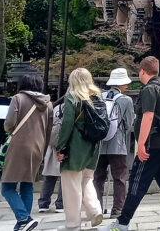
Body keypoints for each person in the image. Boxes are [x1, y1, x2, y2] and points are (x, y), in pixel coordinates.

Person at [107, 56, 160, 231]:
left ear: (142, 71)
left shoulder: (149, 89)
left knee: (137, 181)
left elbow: (148, 116)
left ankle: (123, 222)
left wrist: (141, 144)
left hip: (152, 144)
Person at [0, 74, 53, 231]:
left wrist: (8, 131)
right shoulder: (48, 104)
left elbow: (10, 123)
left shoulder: (18, 98)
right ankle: (23, 225)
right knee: (27, 185)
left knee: (7, 187)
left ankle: (23, 219)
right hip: (38, 147)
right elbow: (49, 130)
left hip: (18, 146)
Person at [56, 67, 104, 231]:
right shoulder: (98, 97)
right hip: (94, 145)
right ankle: (95, 210)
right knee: (87, 179)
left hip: (76, 146)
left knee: (71, 185)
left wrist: (61, 146)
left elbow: (67, 123)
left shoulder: (72, 97)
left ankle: (72, 224)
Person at [93, 68, 135, 220]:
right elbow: (129, 123)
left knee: (98, 177)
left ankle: (96, 207)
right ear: (123, 84)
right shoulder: (126, 100)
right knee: (120, 177)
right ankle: (117, 208)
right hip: (117, 144)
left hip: (99, 143)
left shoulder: (98, 97)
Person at [37, 100, 64, 214]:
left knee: (49, 176)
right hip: (65, 146)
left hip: (52, 145)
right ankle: (60, 204)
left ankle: (43, 203)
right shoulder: (75, 107)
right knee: (65, 177)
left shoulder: (55, 108)